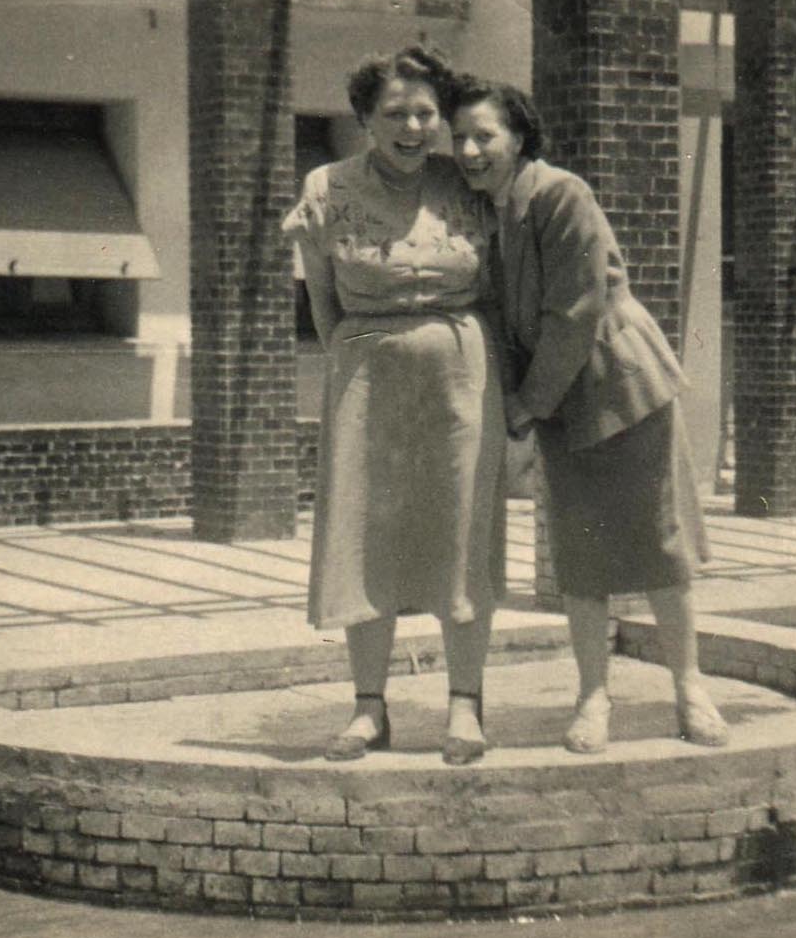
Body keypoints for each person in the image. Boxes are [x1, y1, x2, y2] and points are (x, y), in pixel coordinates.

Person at [448, 78, 729, 753]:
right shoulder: (491, 210)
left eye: (483, 135)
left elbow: (574, 313)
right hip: (561, 406)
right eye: (457, 138)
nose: (467, 149)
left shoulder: (558, 194)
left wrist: (524, 405)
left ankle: (690, 689)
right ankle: (591, 698)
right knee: (580, 558)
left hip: (620, 388)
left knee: (658, 547)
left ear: (518, 136)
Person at [282, 47, 506, 766]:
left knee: (461, 536)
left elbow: (502, 283)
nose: (413, 127)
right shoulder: (326, 186)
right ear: (363, 120)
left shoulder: (465, 182)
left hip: (460, 377)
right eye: (394, 113)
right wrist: (361, 356)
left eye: (425, 113)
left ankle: (465, 707)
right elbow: (319, 295)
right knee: (361, 537)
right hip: (364, 379)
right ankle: (368, 710)